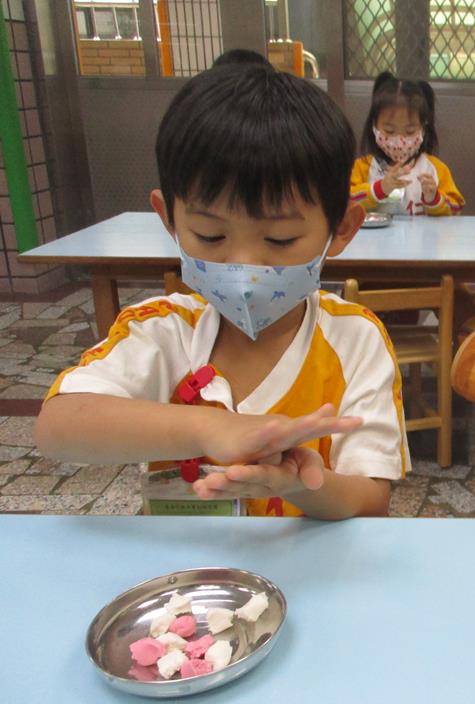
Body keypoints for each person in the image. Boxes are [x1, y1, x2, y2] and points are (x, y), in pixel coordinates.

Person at [35, 64, 408, 519]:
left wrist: (302, 486)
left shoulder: (354, 340)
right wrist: (208, 427)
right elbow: (57, 427)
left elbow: (371, 499)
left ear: (342, 229)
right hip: (188, 564)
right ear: (168, 219)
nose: (244, 266)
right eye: (211, 236)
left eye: (280, 240)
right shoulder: (164, 330)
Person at [350, 72, 464, 216]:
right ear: (374, 126)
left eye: (410, 132)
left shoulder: (434, 169)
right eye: (389, 131)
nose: (399, 141)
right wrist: (379, 189)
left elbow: (456, 210)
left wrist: (434, 199)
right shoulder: (363, 168)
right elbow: (343, 204)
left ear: (423, 129)